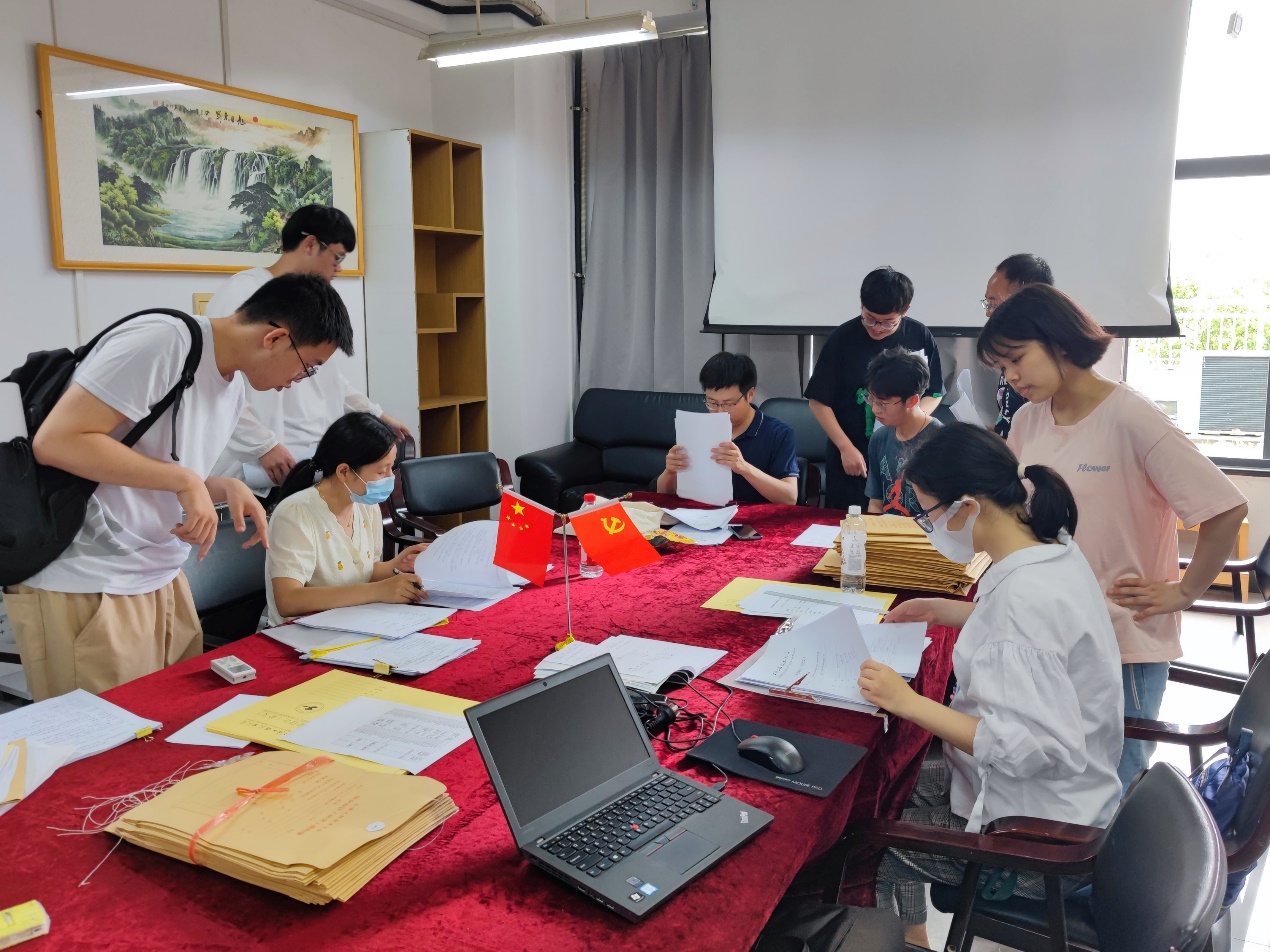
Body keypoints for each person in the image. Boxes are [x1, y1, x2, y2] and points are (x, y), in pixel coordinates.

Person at [5, 274, 355, 701]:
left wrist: (220, 486)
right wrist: (185, 480)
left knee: (173, 720)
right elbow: (58, 442)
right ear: (275, 338)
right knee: (111, 732)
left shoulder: (230, 385)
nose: (304, 378)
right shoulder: (165, 342)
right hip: (91, 580)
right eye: (308, 365)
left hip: (162, 574)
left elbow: (141, 464)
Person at [858, 423, 1123, 948]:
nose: (928, 528)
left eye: (928, 514)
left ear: (969, 507)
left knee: (866, 848)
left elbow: (1027, 748)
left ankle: (901, 938)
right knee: (887, 787)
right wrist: (948, 610)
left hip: (1040, 838)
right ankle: (914, 933)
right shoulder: (1050, 548)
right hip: (1067, 797)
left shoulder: (1026, 600)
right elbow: (1028, 637)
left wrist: (906, 701)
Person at [980, 284, 1248, 790]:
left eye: (1017, 359)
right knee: (1060, 786)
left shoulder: (1131, 415)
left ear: (1059, 342)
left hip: (1123, 640)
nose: (1011, 376)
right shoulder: (1029, 420)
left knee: (1110, 790)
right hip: (1051, 635)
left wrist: (1185, 591)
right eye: (1002, 366)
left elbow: (1226, 508)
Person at [208, 204, 410, 490]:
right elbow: (219, 383)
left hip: (312, 452)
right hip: (266, 462)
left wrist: (374, 413)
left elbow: (330, 379)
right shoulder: (244, 291)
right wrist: (262, 445)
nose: (339, 268)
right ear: (311, 244)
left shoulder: (315, 301)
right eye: (337, 257)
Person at [265, 412, 430, 626]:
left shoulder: (365, 505)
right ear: (344, 472)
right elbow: (288, 600)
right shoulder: (295, 513)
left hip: (352, 624)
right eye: (382, 472)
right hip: (299, 633)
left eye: (391, 468)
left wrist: (396, 565)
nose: (391, 478)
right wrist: (378, 590)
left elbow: (364, 572)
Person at [805, 267, 943, 510]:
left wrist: (910, 421)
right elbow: (818, 401)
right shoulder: (843, 338)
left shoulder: (919, 335)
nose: (877, 328)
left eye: (888, 322)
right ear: (861, 305)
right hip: (851, 454)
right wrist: (845, 448)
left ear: (905, 310)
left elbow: (934, 392)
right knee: (850, 519)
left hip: (904, 451)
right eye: (869, 318)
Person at [657, 352, 800, 505]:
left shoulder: (778, 433)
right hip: (702, 514)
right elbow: (662, 493)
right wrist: (670, 472)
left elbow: (789, 498)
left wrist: (744, 468)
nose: (720, 411)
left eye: (729, 404)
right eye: (712, 403)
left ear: (750, 394)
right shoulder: (697, 427)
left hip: (753, 517)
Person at [981, 254, 1054, 438]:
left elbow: (1040, 442)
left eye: (993, 304)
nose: (988, 313)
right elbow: (1008, 418)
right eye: (987, 303)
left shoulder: (1045, 365)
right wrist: (995, 432)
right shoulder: (1011, 353)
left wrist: (1000, 445)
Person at [863, 348, 942, 516]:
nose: (875, 409)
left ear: (912, 401)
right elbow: (876, 502)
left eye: (882, 403)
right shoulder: (879, 439)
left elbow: (947, 513)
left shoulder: (941, 441)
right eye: (871, 399)